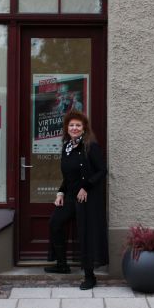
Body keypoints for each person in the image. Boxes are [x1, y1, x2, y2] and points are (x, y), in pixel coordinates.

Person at [44, 110, 108, 290]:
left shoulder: (90, 146)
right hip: (71, 195)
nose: (74, 128)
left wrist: (86, 187)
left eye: (78, 125)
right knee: (55, 222)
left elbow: (102, 170)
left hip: (87, 197)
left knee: (85, 233)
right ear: (67, 128)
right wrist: (60, 192)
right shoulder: (67, 146)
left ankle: (90, 276)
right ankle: (62, 264)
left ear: (84, 128)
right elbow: (69, 176)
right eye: (71, 125)